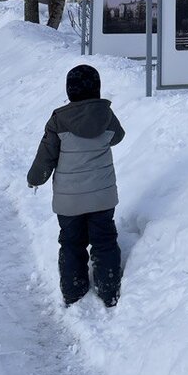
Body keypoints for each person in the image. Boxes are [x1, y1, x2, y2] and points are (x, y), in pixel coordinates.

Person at [27, 64, 125, 306]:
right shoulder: (106, 116)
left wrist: (35, 178)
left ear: (69, 91)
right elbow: (118, 137)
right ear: (97, 89)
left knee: (72, 243)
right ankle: (108, 288)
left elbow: (46, 156)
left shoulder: (58, 121)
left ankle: (73, 290)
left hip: (69, 201)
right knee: (104, 241)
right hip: (102, 198)